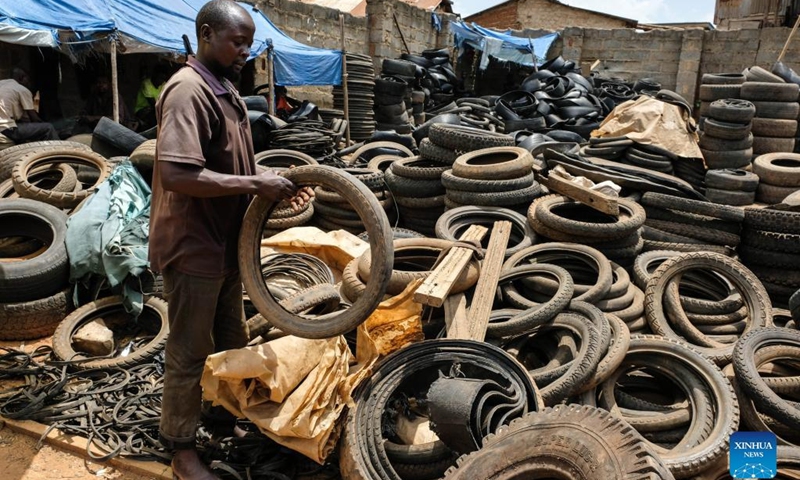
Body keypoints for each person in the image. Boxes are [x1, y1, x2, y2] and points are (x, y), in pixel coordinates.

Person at [148, 1, 312, 478]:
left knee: (231, 336)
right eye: (236, 42)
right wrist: (254, 185)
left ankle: (224, 415)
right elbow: (180, 175)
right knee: (187, 351)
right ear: (205, 34)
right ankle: (180, 449)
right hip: (193, 243)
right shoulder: (188, 91)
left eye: (248, 42)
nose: (245, 51)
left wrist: (266, 180)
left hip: (224, 242)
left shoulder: (225, 89)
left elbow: (228, 167)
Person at [0, 68, 59, 143]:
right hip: (6, 129)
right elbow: (34, 118)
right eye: (28, 79)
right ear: (21, 77)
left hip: (4, 126)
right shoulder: (22, 89)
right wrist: (44, 123)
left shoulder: (2, 83)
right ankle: (59, 153)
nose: (28, 83)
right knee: (48, 127)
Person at [135, 64, 171, 131]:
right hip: (142, 109)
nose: (161, 81)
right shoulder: (146, 84)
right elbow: (153, 104)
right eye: (160, 78)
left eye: (163, 79)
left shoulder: (163, 85)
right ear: (155, 75)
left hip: (156, 109)